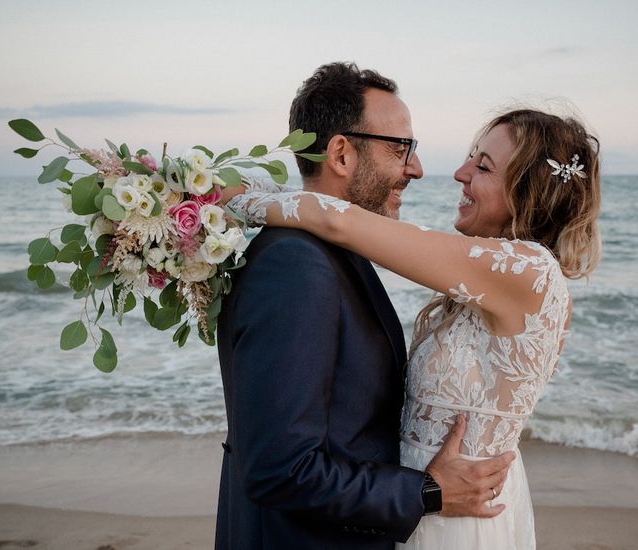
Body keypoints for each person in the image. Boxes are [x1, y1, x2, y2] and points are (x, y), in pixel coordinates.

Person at [228, 107, 602, 549]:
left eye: (482, 166)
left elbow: (339, 221)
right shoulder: (492, 281)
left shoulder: (527, 270)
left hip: (457, 516)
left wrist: (228, 200)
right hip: (424, 504)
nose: (460, 173)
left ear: (528, 192)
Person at [214, 62, 515, 550]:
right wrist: (427, 494)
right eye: (401, 148)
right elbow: (280, 469)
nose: (415, 168)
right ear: (341, 153)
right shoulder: (296, 266)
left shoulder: (325, 252)